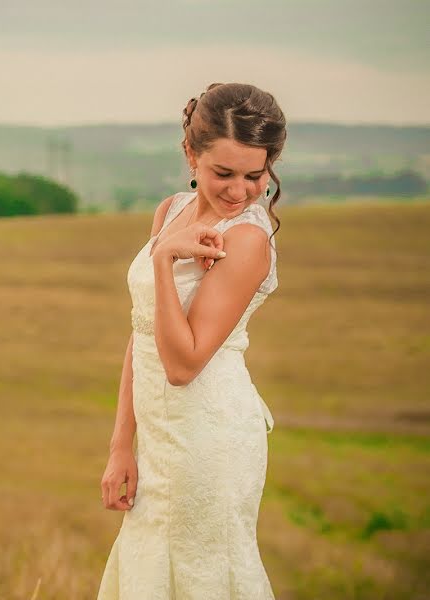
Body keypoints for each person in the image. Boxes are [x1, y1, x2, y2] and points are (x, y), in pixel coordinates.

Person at [96, 82, 286, 599]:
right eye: (223, 173)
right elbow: (142, 335)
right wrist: (121, 446)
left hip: (210, 436)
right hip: (157, 434)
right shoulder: (171, 210)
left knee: (201, 567)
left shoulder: (246, 241)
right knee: (149, 558)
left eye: (255, 175)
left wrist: (163, 261)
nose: (239, 191)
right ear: (190, 153)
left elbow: (182, 365)